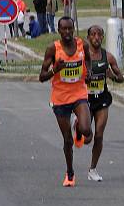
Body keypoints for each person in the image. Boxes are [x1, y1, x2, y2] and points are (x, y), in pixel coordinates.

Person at [39, 16, 93, 187]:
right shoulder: (52, 49)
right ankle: (70, 173)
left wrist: (89, 72)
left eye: (70, 29)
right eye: (64, 29)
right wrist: (56, 69)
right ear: (59, 30)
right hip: (60, 97)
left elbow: (89, 61)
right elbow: (42, 77)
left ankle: (78, 127)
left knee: (86, 130)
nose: (68, 32)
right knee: (67, 141)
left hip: (79, 93)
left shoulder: (82, 45)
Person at [85, 25, 124, 181]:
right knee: (87, 135)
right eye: (93, 35)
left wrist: (112, 76)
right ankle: (79, 126)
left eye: (99, 35)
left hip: (101, 99)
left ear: (103, 37)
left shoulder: (108, 57)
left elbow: (121, 78)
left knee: (99, 135)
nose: (96, 37)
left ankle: (92, 169)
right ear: (88, 38)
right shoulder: (82, 56)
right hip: (84, 100)